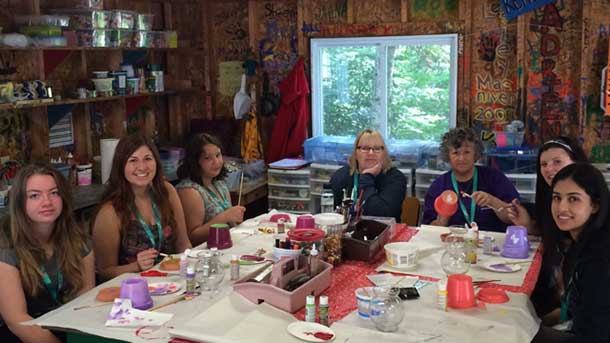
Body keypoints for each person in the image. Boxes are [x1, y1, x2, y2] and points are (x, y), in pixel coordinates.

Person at [0, 163, 95, 342]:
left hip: (66, 326)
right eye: (35, 195)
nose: (47, 202)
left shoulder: (78, 238)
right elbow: (16, 320)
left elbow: (85, 295)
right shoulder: (5, 246)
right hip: (19, 334)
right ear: (20, 202)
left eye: (54, 193)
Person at [507, 137, 588, 324]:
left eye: (557, 162)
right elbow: (552, 233)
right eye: (544, 164)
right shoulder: (549, 196)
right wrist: (528, 225)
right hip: (562, 296)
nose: (549, 169)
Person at [92, 135, 191, 281]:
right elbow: (104, 272)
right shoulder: (110, 212)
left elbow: (183, 244)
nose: (142, 167)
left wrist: (190, 269)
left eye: (148, 159)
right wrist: (135, 266)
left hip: (171, 282)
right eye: (133, 160)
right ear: (121, 166)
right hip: (132, 290)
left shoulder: (167, 192)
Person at [531, 163, 610, 343]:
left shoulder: (599, 261)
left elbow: (595, 334)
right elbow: (577, 311)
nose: (561, 208)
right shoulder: (580, 244)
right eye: (557, 198)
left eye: (573, 199)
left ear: (595, 205)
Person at [422, 127, 519, 232]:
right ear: (447, 156)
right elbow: (429, 229)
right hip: (454, 243)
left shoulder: (495, 178)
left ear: (476, 154)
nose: (461, 158)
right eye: (455, 153)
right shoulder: (439, 186)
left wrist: (492, 201)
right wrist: (443, 218)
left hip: (489, 242)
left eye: (467, 152)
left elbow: (515, 218)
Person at [176, 133, 245, 246]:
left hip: (224, 245)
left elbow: (231, 223)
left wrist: (235, 217)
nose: (216, 162)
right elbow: (192, 237)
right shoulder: (189, 190)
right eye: (207, 158)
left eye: (218, 155)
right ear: (195, 161)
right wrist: (225, 216)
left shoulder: (219, 184)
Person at [329, 129, 406, 222]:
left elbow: (380, 216)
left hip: (383, 233)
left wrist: (367, 176)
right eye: (365, 148)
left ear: (384, 154)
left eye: (377, 149)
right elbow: (331, 215)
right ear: (356, 154)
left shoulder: (395, 178)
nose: (371, 153)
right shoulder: (341, 176)